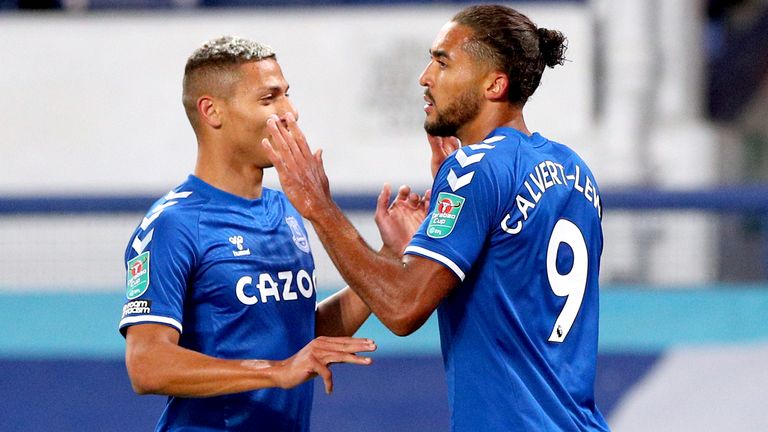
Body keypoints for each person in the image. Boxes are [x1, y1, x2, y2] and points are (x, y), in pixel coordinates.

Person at [262, 4, 610, 431]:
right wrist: (426, 239)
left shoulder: (477, 168)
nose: (426, 77)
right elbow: (513, 282)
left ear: (494, 84)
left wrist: (318, 206)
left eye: (443, 62)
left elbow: (402, 308)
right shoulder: (574, 170)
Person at [118, 36, 420, 432]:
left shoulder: (286, 210)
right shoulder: (173, 224)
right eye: (269, 99)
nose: (290, 113)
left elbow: (293, 334)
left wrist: (387, 256)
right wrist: (277, 371)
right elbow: (147, 365)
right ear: (212, 111)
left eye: (287, 96)